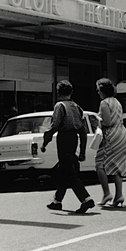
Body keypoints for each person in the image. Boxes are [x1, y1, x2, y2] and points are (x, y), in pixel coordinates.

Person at [41, 80, 95, 214]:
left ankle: (86, 199)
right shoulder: (77, 107)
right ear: (71, 93)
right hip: (74, 139)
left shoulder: (60, 106)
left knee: (69, 171)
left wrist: (44, 143)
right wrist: (82, 151)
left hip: (64, 138)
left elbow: (55, 126)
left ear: (58, 93)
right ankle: (57, 201)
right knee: (62, 170)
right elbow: (82, 131)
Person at [94, 77, 126, 207]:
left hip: (111, 134)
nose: (97, 92)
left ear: (103, 91)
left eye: (98, 90)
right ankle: (119, 194)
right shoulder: (117, 102)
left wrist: (97, 119)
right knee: (117, 164)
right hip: (121, 132)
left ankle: (106, 193)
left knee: (99, 163)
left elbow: (107, 122)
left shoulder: (104, 103)